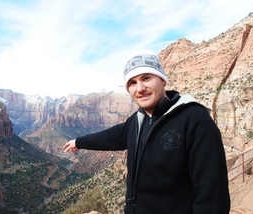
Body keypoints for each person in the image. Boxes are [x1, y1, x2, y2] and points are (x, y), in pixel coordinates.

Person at [64, 50, 231, 213]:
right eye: (132, 83)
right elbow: (111, 137)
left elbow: (213, 194)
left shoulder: (194, 118)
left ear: (163, 80)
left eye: (146, 78)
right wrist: (79, 142)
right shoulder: (138, 119)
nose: (140, 88)